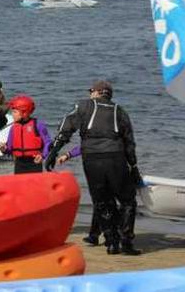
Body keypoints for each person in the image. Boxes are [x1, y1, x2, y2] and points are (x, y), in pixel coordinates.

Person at [46, 80, 142, 255]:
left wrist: (53, 152)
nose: (90, 94)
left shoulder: (83, 106)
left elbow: (66, 127)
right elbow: (129, 142)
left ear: (97, 92)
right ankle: (126, 242)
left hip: (91, 158)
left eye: (91, 91)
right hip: (115, 158)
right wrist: (134, 166)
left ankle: (112, 243)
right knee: (128, 200)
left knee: (101, 200)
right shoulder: (120, 111)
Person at [2, 95, 52, 174]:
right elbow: (9, 148)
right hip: (19, 163)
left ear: (25, 113)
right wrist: (4, 149)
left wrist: (43, 156)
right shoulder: (13, 128)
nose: (12, 114)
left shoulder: (38, 124)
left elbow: (48, 142)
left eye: (15, 112)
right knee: (20, 185)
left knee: (34, 185)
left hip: (35, 162)